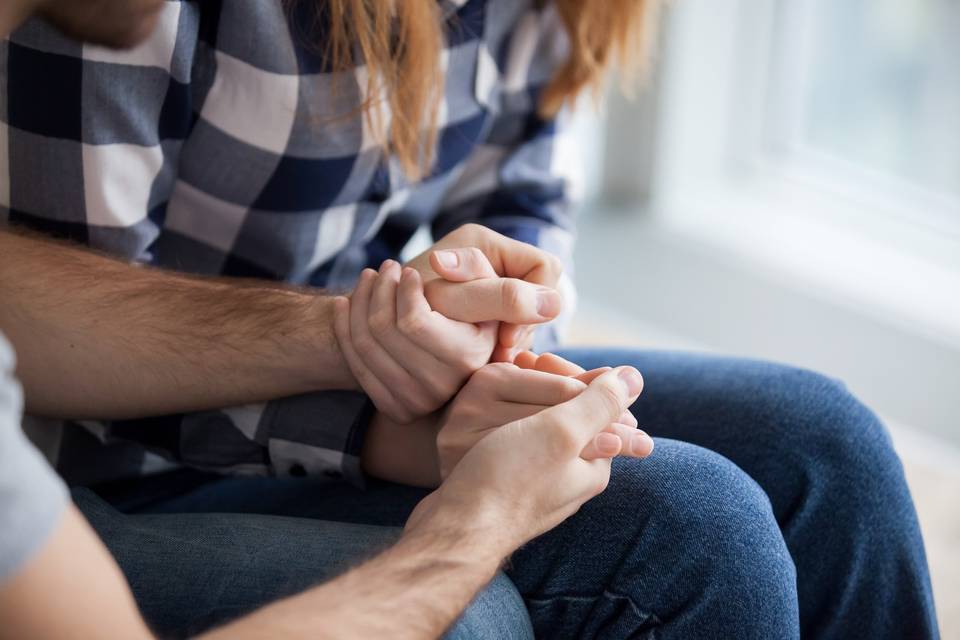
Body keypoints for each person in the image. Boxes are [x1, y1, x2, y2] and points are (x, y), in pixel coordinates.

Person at [0, 1, 939, 639]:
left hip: (361, 381)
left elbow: (522, 195)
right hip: (119, 462)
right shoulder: (124, 13)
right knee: (691, 524)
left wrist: (499, 344)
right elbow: (61, 350)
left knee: (826, 444)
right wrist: (381, 412)